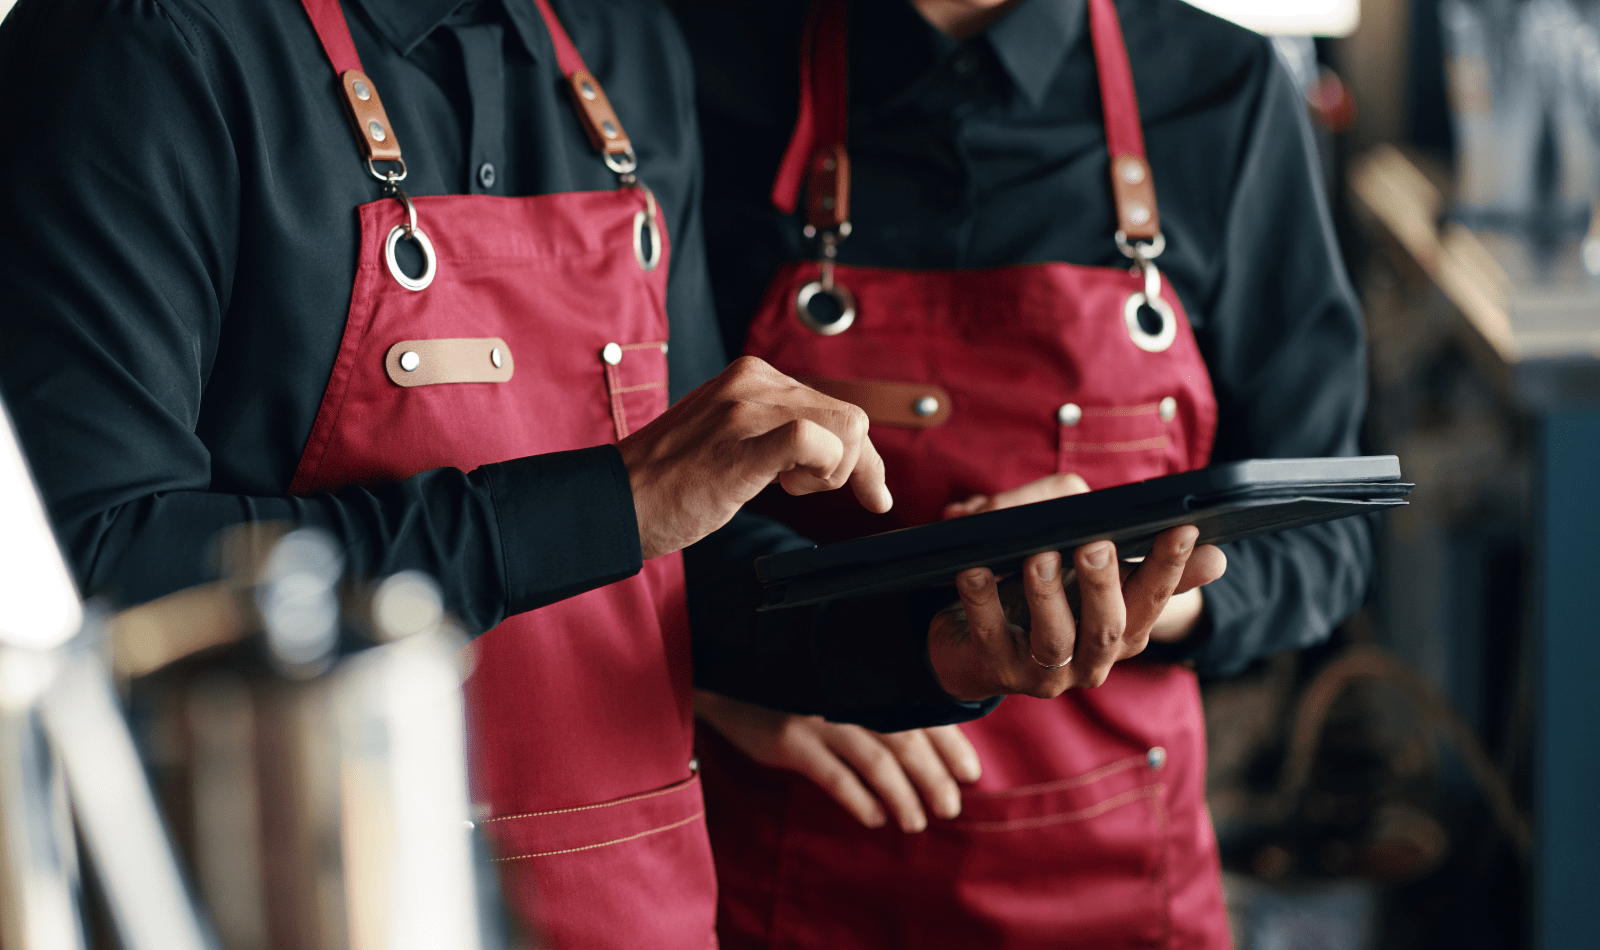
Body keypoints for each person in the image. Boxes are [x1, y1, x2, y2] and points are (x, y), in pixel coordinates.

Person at [0, 0, 1219, 946]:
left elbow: (687, 560)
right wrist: (608, 503)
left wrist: (944, 641)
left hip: (641, 908)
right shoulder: (145, 43)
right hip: (307, 897)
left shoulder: (620, 40)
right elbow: (88, 564)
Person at [668, 0, 1373, 946]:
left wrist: (1162, 596)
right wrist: (727, 679)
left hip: (1120, 884)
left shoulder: (1224, 90)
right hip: (791, 869)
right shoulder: (694, 66)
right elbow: (634, 489)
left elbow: (1330, 524)